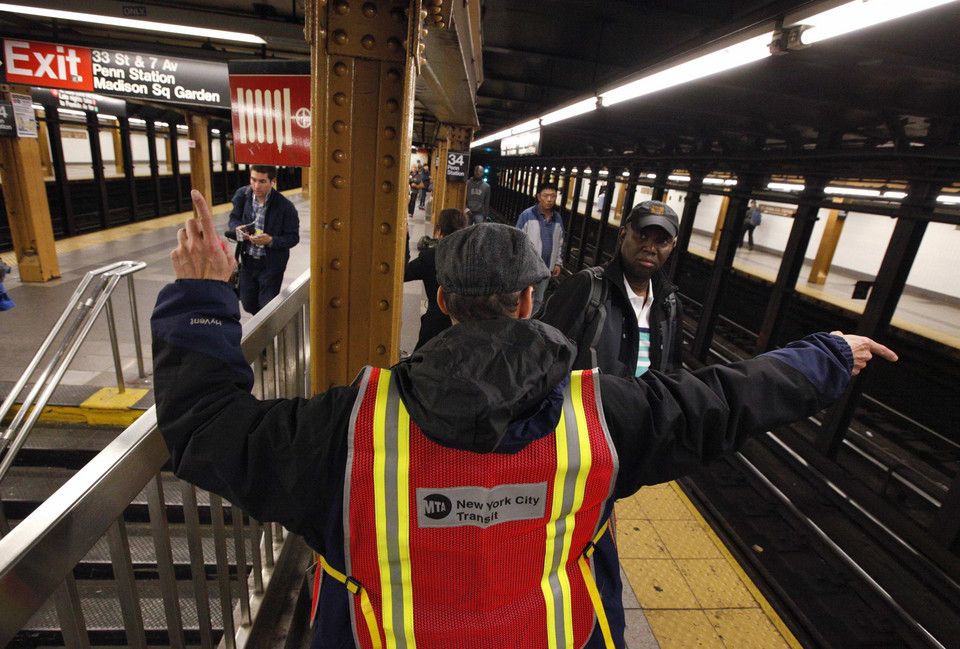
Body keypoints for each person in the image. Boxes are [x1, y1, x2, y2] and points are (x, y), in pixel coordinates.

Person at [153, 192, 897, 649]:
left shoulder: (345, 434)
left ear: (440, 304)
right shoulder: (602, 417)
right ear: (531, 302)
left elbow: (205, 428)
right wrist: (829, 355)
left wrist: (202, 296)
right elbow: (727, 398)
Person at [540, 200, 683, 377]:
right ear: (623, 235)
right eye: (642, 236)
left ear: (673, 246)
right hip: (586, 404)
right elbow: (545, 359)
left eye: (662, 241)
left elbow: (671, 372)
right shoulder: (587, 287)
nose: (650, 248)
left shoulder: (669, 304)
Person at [227, 165, 300, 315]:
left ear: (273, 181)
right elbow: (234, 218)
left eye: (262, 181)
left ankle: (265, 334)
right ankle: (259, 324)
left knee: (266, 306)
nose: (256, 186)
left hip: (271, 264)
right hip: (248, 260)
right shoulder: (243, 195)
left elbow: (293, 237)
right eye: (253, 180)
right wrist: (237, 228)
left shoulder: (285, 206)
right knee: (247, 303)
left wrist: (271, 240)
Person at [404, 207, 468, 349]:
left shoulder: (430, 257)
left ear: (439, 231)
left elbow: (401, 274)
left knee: (420, 359)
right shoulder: (472, 258)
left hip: (435, 323)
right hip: (467, 325)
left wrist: (406, 238)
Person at [516, 182, 564, 313]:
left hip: (547, 267)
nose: (549, 199)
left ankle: (531, 323)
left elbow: (560, 242)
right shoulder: (526, 215)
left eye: (553, 196)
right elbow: (517, 239)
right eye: (546, 195)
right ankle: (521, 322)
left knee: (539, 299)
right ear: (538, 197)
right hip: (529, 267)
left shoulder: (557, 218)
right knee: (524, 296)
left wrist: (558, 263)